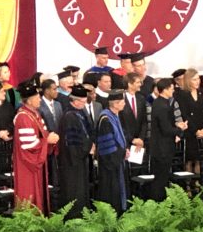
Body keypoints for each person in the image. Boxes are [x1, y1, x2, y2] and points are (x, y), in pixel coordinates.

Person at [13, 80, 58, 214]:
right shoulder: (23, 117)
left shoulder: (35, 114)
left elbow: (43, 134)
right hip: (27, 164)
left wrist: (50, 138)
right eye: (37, 97)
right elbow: (29, 145)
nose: (40, 100)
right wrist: (47, 141)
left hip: (37, 161)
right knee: (28, 192)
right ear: (29, 101)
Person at [57, 85, 94, 218]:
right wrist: (87, 148)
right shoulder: (70, 116)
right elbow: (73, 142)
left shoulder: (80, 113)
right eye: (83, 102)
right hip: (72, 160)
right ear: (75, 101)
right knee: (74, 189)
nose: (84, 105)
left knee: (82, 188)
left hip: (81, 158)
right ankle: (74, 215)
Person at [149, 78, 188, 202]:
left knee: (163, 177)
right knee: (161, 178)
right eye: (171, 88)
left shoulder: (161, 103)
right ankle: (159, 203)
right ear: (165, 89)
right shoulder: (161, 105)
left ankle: (161, 202)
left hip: (163, 146)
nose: (173, 90)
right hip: (162, 148)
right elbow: (166, 129)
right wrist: (179, 128)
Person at [96, 89, 128, 214]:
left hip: (117, 160)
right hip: (109, 164)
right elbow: (108, 146)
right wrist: (121, 153)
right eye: (122, 102)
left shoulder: (114, 116)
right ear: (115, 104)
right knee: (111, 191)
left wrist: (123, 151)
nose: (124, 104)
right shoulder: (105, 119)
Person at [175, 68, 203, 177]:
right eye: (194, 79)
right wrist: (195, 131)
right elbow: (184, 115)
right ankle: (188, 187)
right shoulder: (182, 94)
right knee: (189, 160)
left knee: (199, 160)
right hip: (189, 131)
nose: (197, 81)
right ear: (188, 80)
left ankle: (198, 185)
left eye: (198, 78)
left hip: (202, 130)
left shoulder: (202, 92)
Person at [120, 72, 147, 153]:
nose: (140, 84)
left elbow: (144, 121)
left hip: (139, 143)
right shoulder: (120, 99)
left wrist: (141, 138)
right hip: (124, 142)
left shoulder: (141, 98)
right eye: (138, 82)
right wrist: (132, 139)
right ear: (130, 84)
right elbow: (119, 123)